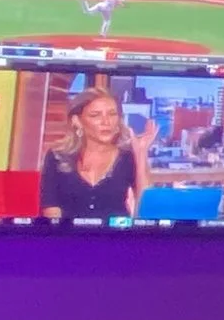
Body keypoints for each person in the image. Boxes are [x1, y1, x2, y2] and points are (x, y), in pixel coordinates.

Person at [38, 87, 152, 221]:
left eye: (112, 114)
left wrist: (141, 154)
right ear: (77, 121)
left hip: (117, 238)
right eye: (95, 115)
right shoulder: (57, 157)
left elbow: (146, 210)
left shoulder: (127, 157)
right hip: (68, 238)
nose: (106, 122)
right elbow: (51, 208)